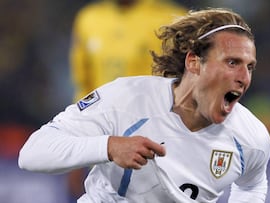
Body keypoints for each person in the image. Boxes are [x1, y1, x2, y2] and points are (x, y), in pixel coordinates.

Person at [18, 8, 270, 203]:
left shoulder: (251, 138)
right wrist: (109, 146)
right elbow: (33, 152)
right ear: (194, 62)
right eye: (232, 63)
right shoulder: (127, 99)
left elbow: (252, 185)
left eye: (250, 67)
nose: (244, 77)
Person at [68, 0, 186, 200]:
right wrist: (76, 151)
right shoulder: (88, 19)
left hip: (156, 146)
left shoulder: (174, 19)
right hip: (103, 147)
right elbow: (83, 88)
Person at [70, 0, 186, 101]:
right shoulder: (89, 18)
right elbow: (82, 79)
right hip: (101, 117)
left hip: (150, 115)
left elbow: (181, 77)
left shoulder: (172, 18)